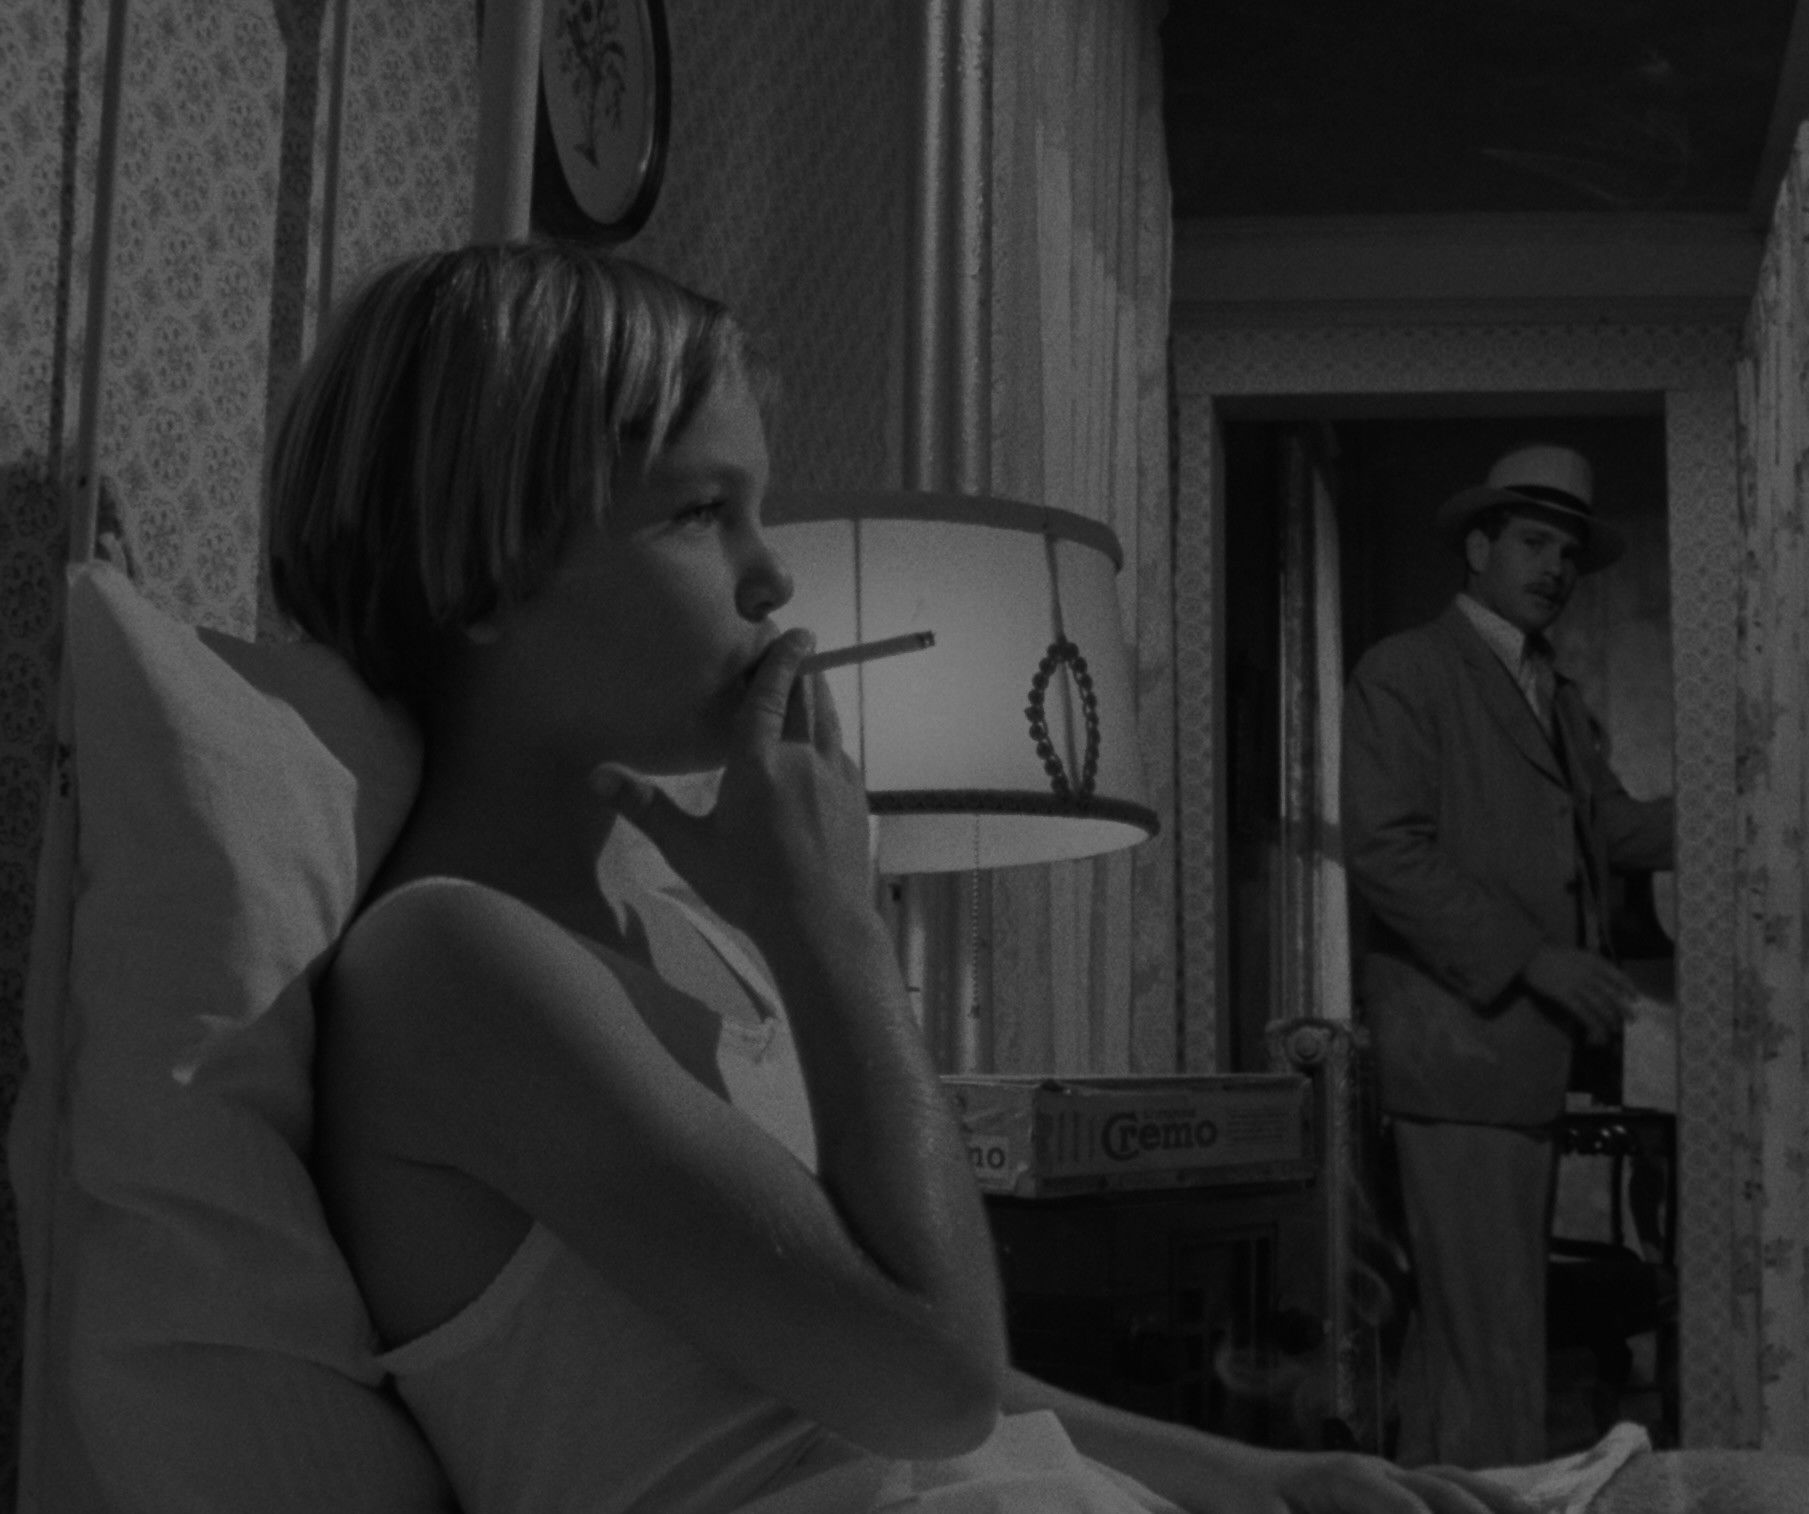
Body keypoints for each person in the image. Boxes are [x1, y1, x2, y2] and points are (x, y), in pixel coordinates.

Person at [279, 242, 1536, 1514]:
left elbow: (926, 1371)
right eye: (701, 513)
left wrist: (1274, 1478)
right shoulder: (451, 960)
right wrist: (834, 926)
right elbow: (930, 1382)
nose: (773, 576)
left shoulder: (677, 926)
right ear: (479, 565)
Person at [1339, 444, 1678, 1470]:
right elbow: (1386, 851)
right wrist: (1535, 960)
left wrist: (1748, 789)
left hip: (1515, 1059)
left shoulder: (1551, 689)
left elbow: (1608, 826)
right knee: (1492, 1347)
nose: (1555, 567)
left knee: (1468, 1344)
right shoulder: (1406, 670)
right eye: (1534, 542)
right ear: (1478, 547)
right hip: (1461, 1052)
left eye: (1568, 551)